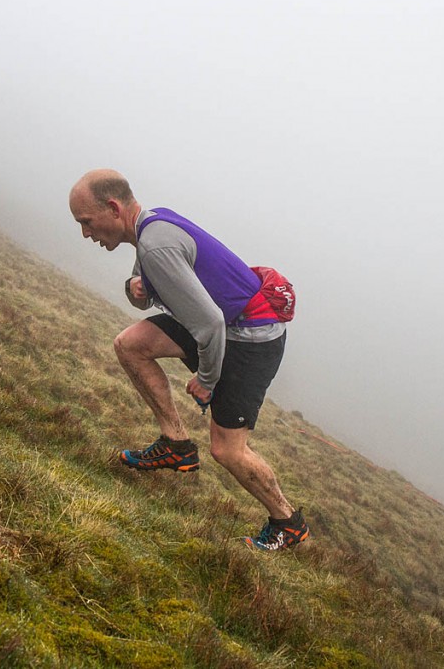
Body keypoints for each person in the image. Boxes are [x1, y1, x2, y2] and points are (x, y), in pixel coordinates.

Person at [68, 168, 309, 550]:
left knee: (227, 450)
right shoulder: (150, 226)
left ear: (113, 208)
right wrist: (135, 290)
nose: (86, 233)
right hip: (223, 325)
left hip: (250, 339)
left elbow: (210, 323)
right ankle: (176, 445)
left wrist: (207, 382)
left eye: (86, 222)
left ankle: (287, 521)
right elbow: (146, 294)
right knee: (131, 345)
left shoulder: (155, 245)